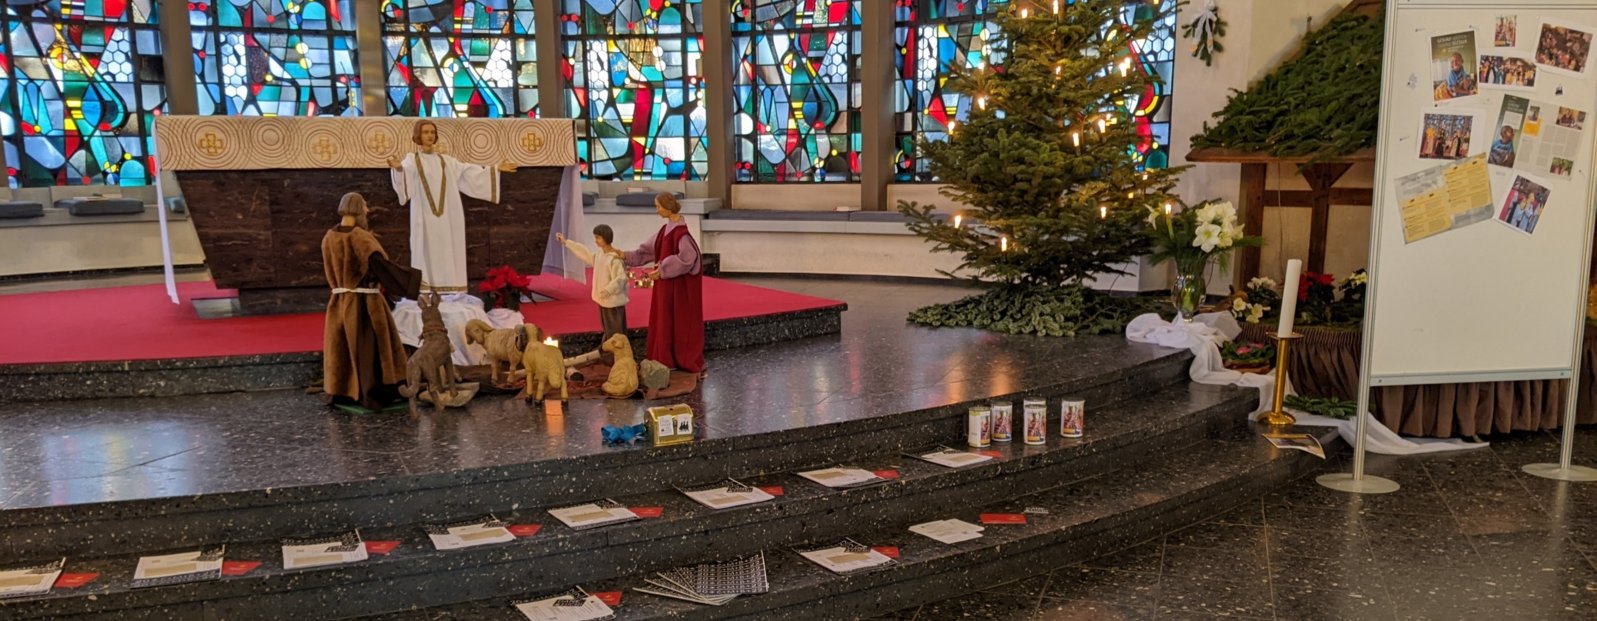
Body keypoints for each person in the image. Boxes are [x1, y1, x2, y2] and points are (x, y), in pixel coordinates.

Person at [388, 120, 518, 293]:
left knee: (448, 249)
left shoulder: (447, 161)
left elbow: (468, 172)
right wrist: (398, 169)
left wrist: (494, 170)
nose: (429, 136)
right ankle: (427, 289)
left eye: (432, 132)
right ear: (418, 136)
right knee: (425, 250)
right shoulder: (412, 160)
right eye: (425, 132)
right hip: (423, 217)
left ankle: (450, 287)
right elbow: (405, 178)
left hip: (448, 217)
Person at [321, 192, 417, 411]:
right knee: (369, 347)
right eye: (364, 206)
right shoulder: (360, 237)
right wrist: (411, 282)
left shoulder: (328, 237)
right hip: (365, 304)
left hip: (339, 301)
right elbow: (381, 267)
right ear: (357, 208)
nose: (367, 210)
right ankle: (373, 392)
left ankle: (343, 391)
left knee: (344, 347)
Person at [625, 193, 706, 375]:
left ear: (668, 208)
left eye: (658, 206)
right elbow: (646, 251)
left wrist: (662, 271)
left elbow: (688, 258)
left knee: (676, 320)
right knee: (664, 318)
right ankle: (665, 358)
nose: (657, 210)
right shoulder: (665, 230)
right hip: (666, 287)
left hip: (677, 290)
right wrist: (624, 255)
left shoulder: (681, 234)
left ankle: (679, 358)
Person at [557, 225, 629, 363]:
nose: (595, 240)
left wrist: (608, 290)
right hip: (604, 300)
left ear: (606, 238)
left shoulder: (614, 259)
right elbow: (585, 254)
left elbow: (621, 278)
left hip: (613, 302)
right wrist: (567, 243)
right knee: (608, 329)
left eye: (598, 237)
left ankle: (618, 358)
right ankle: (608, 353)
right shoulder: (600, 255)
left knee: (615, 330)